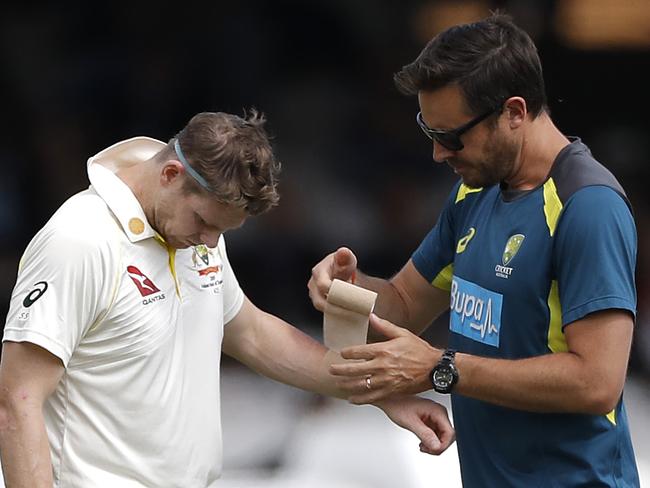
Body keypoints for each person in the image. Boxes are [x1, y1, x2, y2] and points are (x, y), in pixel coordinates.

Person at [0, 111, 455, 487]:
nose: (208, 239)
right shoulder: (79, 240)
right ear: (171, 174)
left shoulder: (194, 232)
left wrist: (382, 398)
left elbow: (253, 334)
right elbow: (17, 400)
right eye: (204, 222)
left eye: (221, 230)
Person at [308, 12, 640, 488]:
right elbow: (402, 305)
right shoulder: (474, 192)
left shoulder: (587, 207)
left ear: (514, 112)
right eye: (430, 132)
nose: (438, 154)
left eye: (450, 137)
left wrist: (442, 369)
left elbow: (598, 382)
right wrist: (346, 291)